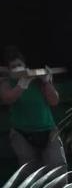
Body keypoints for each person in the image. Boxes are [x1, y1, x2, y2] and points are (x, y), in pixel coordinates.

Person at [0, 46, 66, 176]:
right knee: (30, 175)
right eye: (13, 66)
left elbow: (54, 101)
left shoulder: (37, 80)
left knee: (57, 169)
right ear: (9, 69)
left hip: (48, 131)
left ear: (25, 65)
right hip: (22, 134)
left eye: (19, 65)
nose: (17, 68)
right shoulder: (6, 82)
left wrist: (47, 82)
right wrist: (21, 85)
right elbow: (8, 98)